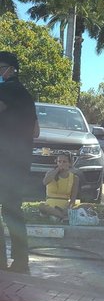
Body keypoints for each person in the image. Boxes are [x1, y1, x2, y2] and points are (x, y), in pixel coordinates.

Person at [0, 51, 39, 274]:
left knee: (9, 211)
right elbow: (36, 131)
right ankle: (21, 261)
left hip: (5, 162)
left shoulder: (7, 90)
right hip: (20, 162)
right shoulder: (25, 95)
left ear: (11, 69)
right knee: (12, 210)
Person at [39, 151, 80, 221]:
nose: (61, 164)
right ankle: (62, 216)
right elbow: (45, 182)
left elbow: (73, 198)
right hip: (50, 205)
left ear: (70, 163)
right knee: (42, 206)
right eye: (59, 162)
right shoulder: (51, 173)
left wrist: (69, 208)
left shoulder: (74, 178)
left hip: (64, 205)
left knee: (85, 206)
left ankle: (58, 216)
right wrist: (57, 169)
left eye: (64, 162)